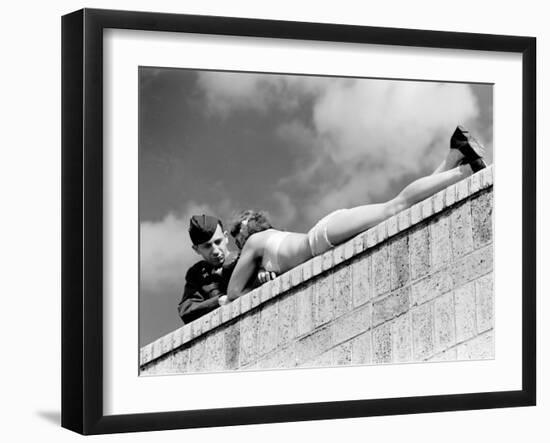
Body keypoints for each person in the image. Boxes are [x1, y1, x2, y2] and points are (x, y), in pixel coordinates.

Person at [226, 125, 487, 301]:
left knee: (394, 207)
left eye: (237, 240)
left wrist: (250, 287)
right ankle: (454, 154)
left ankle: (464, 172)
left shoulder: (253, 242)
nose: (239, 249)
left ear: (244, 231)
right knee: (402, 212)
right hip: (324, 233)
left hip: (321, 238)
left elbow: (234, 292)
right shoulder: (269, 243)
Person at [177, 215, 276, 323]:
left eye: (218, 242)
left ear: (226, 237)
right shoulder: (196, 274)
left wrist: (264, 273)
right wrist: (219, 301)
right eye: (207, 246)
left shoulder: (245, 258)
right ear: (196, 249)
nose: (215, 251)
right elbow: (186, 310)